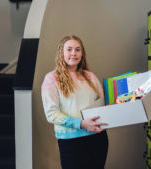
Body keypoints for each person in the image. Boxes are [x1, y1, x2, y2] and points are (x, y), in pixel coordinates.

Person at [41, 35, 109, 169]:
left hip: (97, 138)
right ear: (61, 52)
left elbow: (103, 103)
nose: (74, 53)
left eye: (78, 49)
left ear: (82, 53)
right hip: (71, 142)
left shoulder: (90, 76)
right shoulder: (51, 78)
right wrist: (82, 124)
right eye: (69, 49)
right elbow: (52, 114)